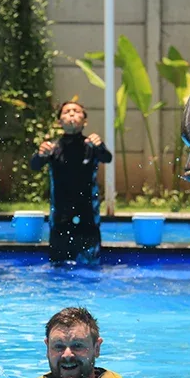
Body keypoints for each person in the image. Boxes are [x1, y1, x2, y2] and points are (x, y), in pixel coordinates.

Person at [0, 307, 163, 378]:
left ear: (97, 348)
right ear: (47, 348)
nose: (67, 354)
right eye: (58, 346)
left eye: (77, 345)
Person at [30, 101, 113, 265]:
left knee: (91, 266)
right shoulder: (52, 147)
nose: (72, 114)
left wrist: (100, 145)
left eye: (76, 111)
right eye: (67, 112)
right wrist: (40, 155)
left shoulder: (91, 146)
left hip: (88, 218)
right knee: (58, 268)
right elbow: (35, 165)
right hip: (60, 219)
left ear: (85, 121)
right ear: (59, 121)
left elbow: (107, 158)